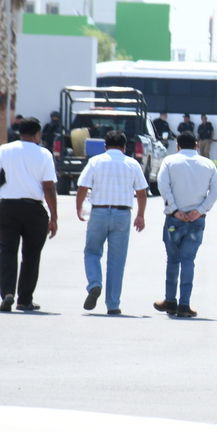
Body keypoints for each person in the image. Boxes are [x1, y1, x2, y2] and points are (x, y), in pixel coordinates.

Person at [0, 117, 58, 312]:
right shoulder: (44, 154)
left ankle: (7, 294)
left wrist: (1, 199)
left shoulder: (4, 150)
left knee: (7, 251)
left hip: (8, 207)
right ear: (37, 134)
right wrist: (54, 217)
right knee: (31, 255)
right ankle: (24, 300)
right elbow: (49, 188)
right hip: (34, 210)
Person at [76, 130, 149, 315]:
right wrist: (140, 215)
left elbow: (83, 187)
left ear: (105, 146)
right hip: (122, 214)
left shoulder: (95, 161)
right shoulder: (132, 164)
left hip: (98, 212)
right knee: (117, 261)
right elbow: (141, 192)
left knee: (92, 252)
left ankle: (95, 283)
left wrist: (79, 208)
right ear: (124, 147)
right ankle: (113, 305)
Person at [153, 131, 217, 318]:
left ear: (178, 146)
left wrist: (175, 210)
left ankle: (170, 300)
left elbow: (163, 186)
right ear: (196, 145)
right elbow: (215, 191)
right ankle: (184, 304)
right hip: (196, 220)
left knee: (173, 260)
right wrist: (200, 210)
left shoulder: (169, 161)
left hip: (174, 219)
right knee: (188, 261)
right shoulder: (208, 164)